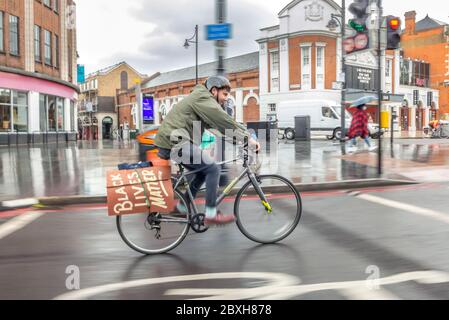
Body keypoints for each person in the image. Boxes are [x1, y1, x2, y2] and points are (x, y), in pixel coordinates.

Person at [155, 76, 260, 226]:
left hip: (174, 141)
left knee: (202, 172)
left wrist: (243, 139)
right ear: (214, 90)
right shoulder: (202, 97)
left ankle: (182, 206)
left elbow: (219, 128)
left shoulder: (202, 101)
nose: (226, 99)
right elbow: (222, 119)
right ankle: (210, 214)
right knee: (213, 169)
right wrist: (247, 139)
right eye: (224, 94)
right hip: (174, 141)